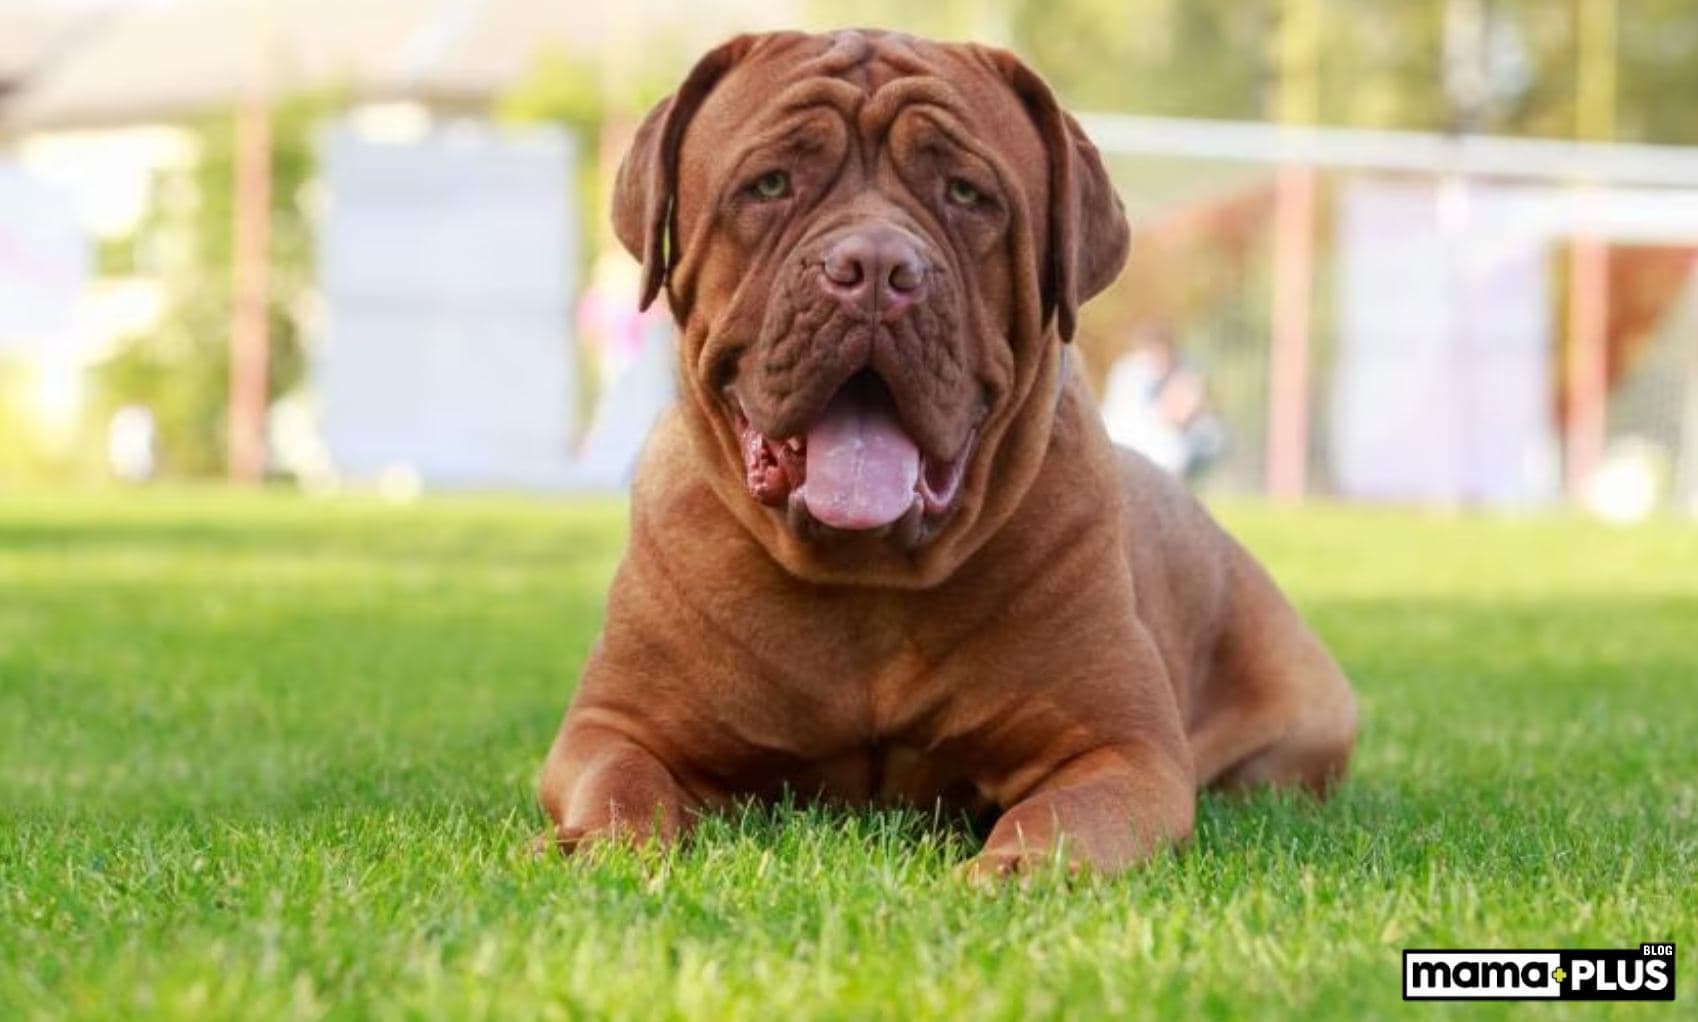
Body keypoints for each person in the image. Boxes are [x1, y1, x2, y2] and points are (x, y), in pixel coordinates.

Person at [1099, 324, 1226, 479]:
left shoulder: (1183, 373)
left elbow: (1185, 412)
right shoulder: (1132, 373)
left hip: (1157, 439)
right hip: (1134, 438)